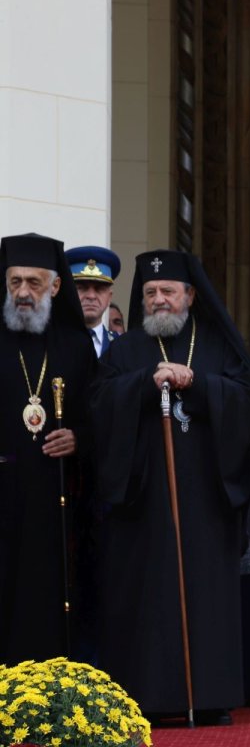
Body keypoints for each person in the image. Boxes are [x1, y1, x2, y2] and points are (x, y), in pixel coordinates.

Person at [91, 249, 250, 724]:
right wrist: (146, 382)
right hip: (143, 499)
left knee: (206, 596)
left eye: (168, 291)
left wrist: (200, 383)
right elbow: (100, 404)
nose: (159, 300)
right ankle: (146, 697)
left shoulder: (219, 345)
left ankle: (208, 697)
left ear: (189, 295)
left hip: (207, 496)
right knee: (145, 598)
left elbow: (247, 402)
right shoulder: (125, 351)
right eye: (150, 293)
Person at [0, 234, 95, 664]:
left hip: (53, 498)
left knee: (45, 590)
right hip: (2, 492)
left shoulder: (75, 346)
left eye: (34, 283)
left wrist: (80, 438)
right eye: (15, 281)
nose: (23, 292)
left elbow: (99, 417)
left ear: (55, 287)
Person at [64, 245, 122, 358]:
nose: (91, 296)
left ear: (109, 297)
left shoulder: (121, 346)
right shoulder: (53, 342)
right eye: (82, 288)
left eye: (99, 289)